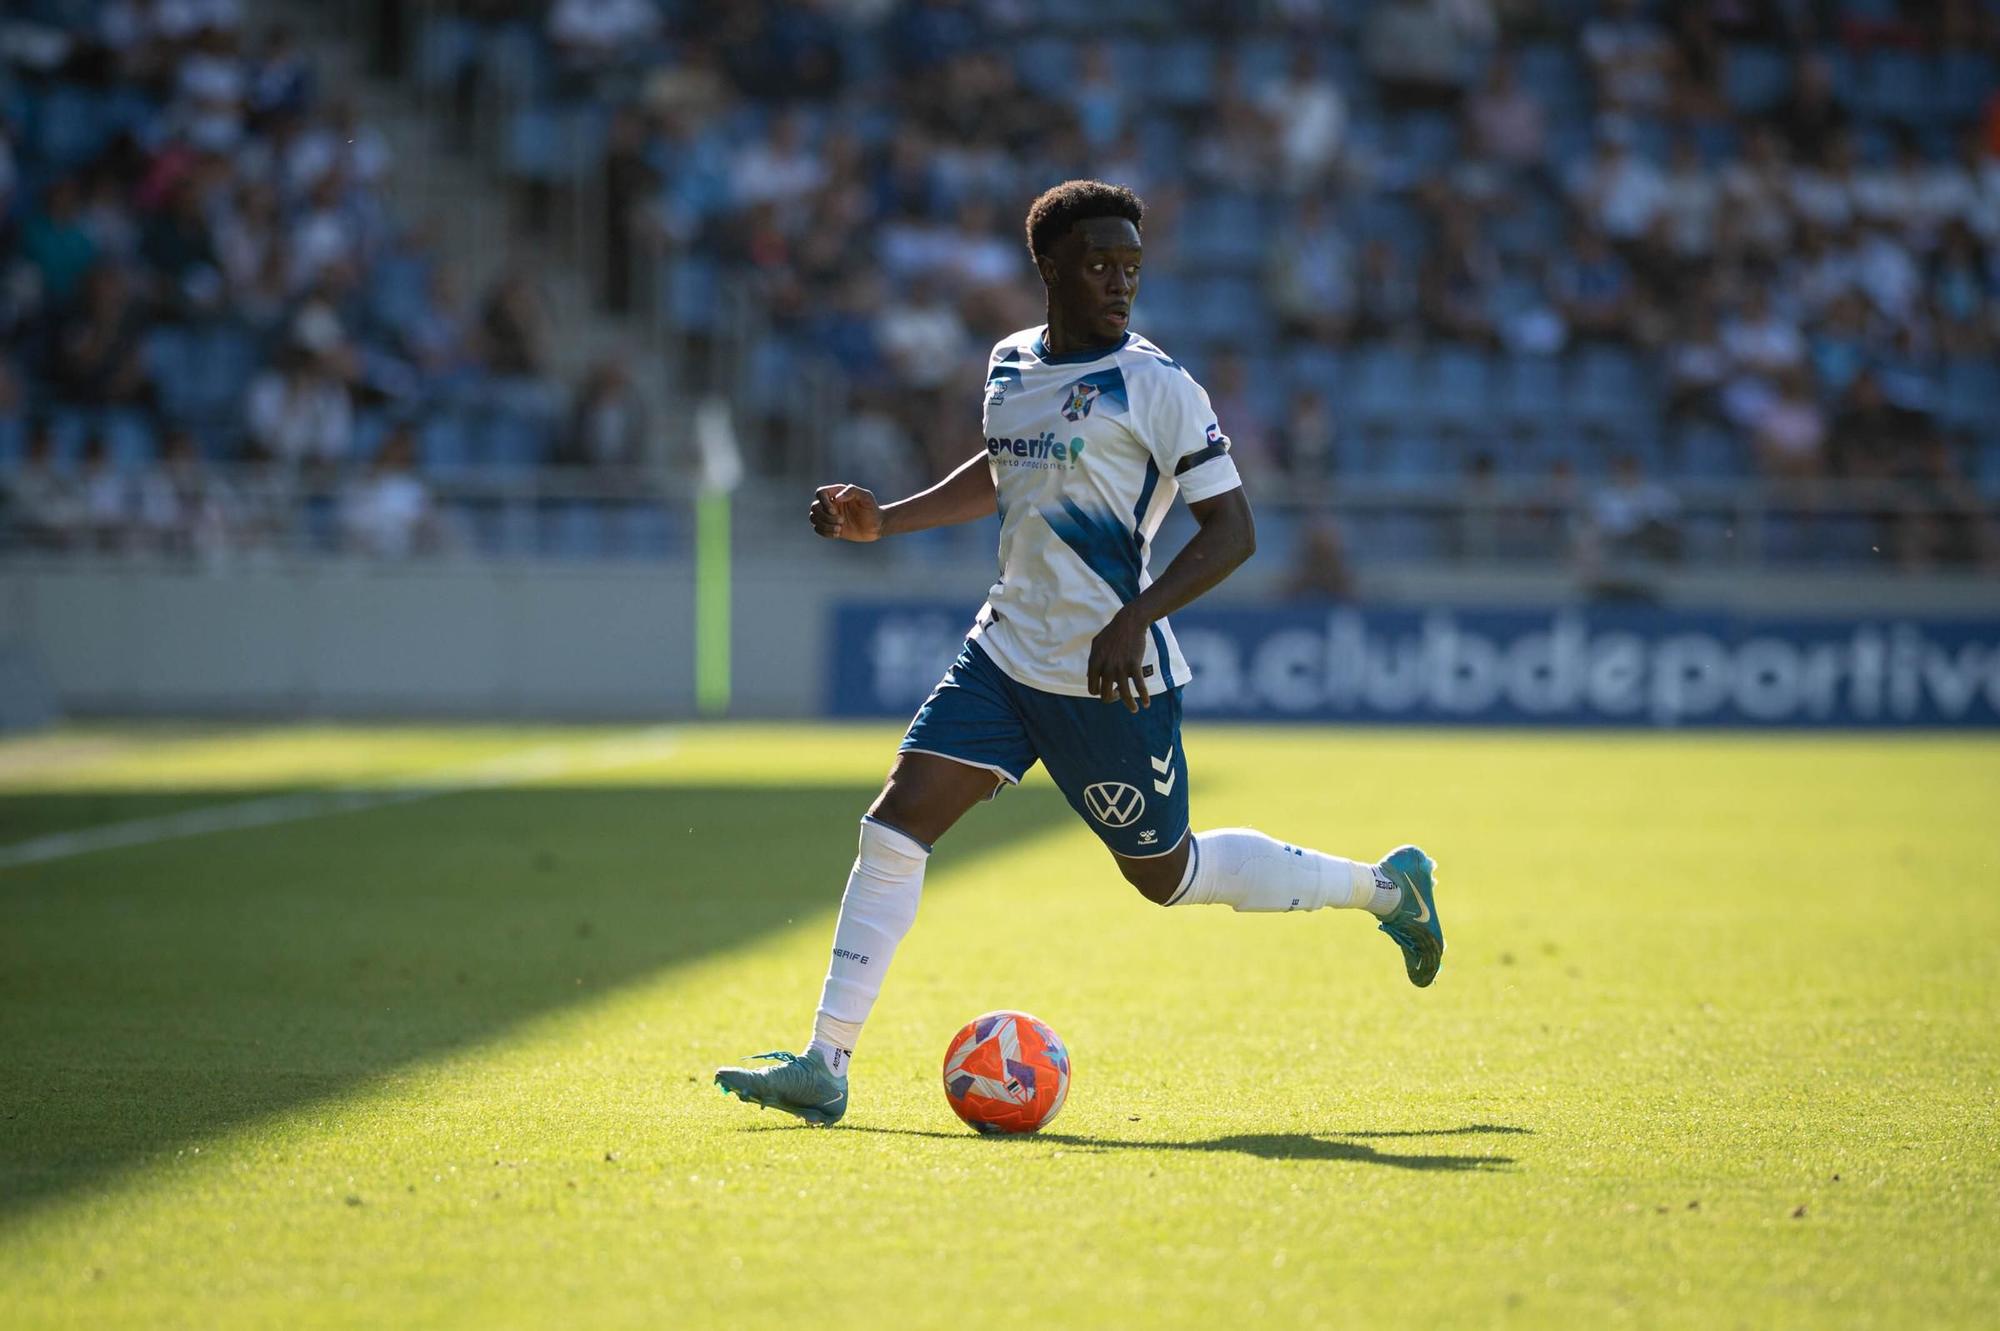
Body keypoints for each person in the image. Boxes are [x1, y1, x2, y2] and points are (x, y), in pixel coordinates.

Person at [715, 181, 1443, 1126]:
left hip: (1111, 678)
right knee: (893, 828)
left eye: (1131, 267)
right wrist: (885, 521)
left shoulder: (1160, 387)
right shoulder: (1009, 362)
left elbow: (1233, 530)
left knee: (1168, 876)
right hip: (1007, 652)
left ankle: (1385, 888)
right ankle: (826, 1061)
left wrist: (1136, 616)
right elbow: (1008, 466)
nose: (1119, 282)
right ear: (1049, 267)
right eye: (1100, 264)